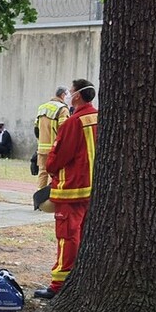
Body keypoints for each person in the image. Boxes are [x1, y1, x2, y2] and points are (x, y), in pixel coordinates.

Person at [34, 79, 98, 300]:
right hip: (93, 189)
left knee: (67, 235)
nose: (69, 95)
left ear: (78, 96)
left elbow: (59, 156)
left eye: (71, 92)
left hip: (71, 188)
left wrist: (48, 166)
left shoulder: (73, 122)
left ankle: (59, 284)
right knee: (85, 233)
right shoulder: (99, 117)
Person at [35, 86, 71, 189]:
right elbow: (64, 130)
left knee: (42, 173)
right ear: (63, 95)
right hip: (55, 150)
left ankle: (39, 200)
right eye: (68, 95)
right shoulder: (63, 109)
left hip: (42, 148)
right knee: (56, 175)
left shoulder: (42, 107)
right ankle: (52, 199)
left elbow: (36, 129)